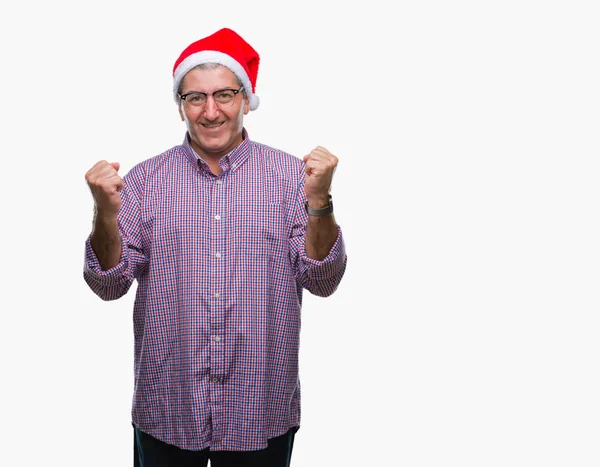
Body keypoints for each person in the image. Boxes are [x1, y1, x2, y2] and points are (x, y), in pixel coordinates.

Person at [83, 27, 347, 467]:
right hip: (168, 409)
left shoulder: (291, 178)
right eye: (195, 98)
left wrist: (320, 202)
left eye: (224, 95)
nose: (210, 112)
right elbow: (108, 285)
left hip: (259, 411)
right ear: (179, 106)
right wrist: (104, 214)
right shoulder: (145, 181)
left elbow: (323, 280)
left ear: (246, 100)